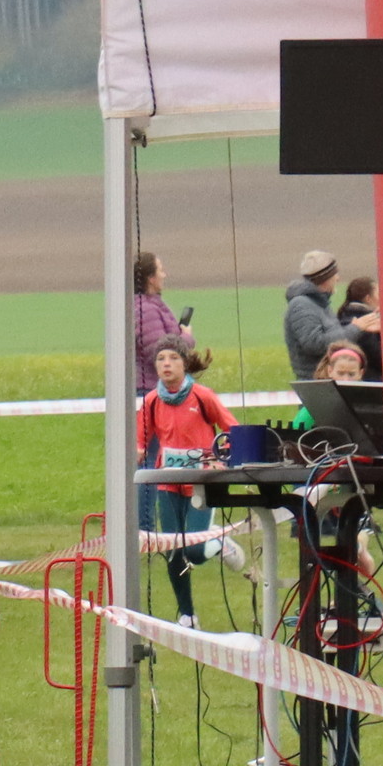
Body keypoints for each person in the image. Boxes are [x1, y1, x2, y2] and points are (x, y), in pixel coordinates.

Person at [137, 349, 241, 625]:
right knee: (173, 549)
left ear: (185, 364)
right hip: (168, 482)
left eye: (173, 358)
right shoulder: (151, 401)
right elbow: (140, 439)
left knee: (194, 549)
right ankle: (187, 614)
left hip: (201, 481)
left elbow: (233, 429)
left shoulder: (202, 396)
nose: (166, 364)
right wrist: (136, 451)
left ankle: (218, 543)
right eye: (161, 359)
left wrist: (223, 458)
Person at [131, 251, 189, 395]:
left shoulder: (151, 306)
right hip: (151, 389)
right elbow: (159, 352)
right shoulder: (147, 310)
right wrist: (186, 337)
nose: (164, 275)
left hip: (156, 387)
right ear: (151, 278)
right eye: (160, 270)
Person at [281, 250, 345, 380]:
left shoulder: (320, 303)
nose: (338, 279)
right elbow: (315, 344)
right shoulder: (301, 305)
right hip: (314, 382)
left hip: (325, 380)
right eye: (335, 274)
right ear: (325, 278)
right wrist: (355, 329)